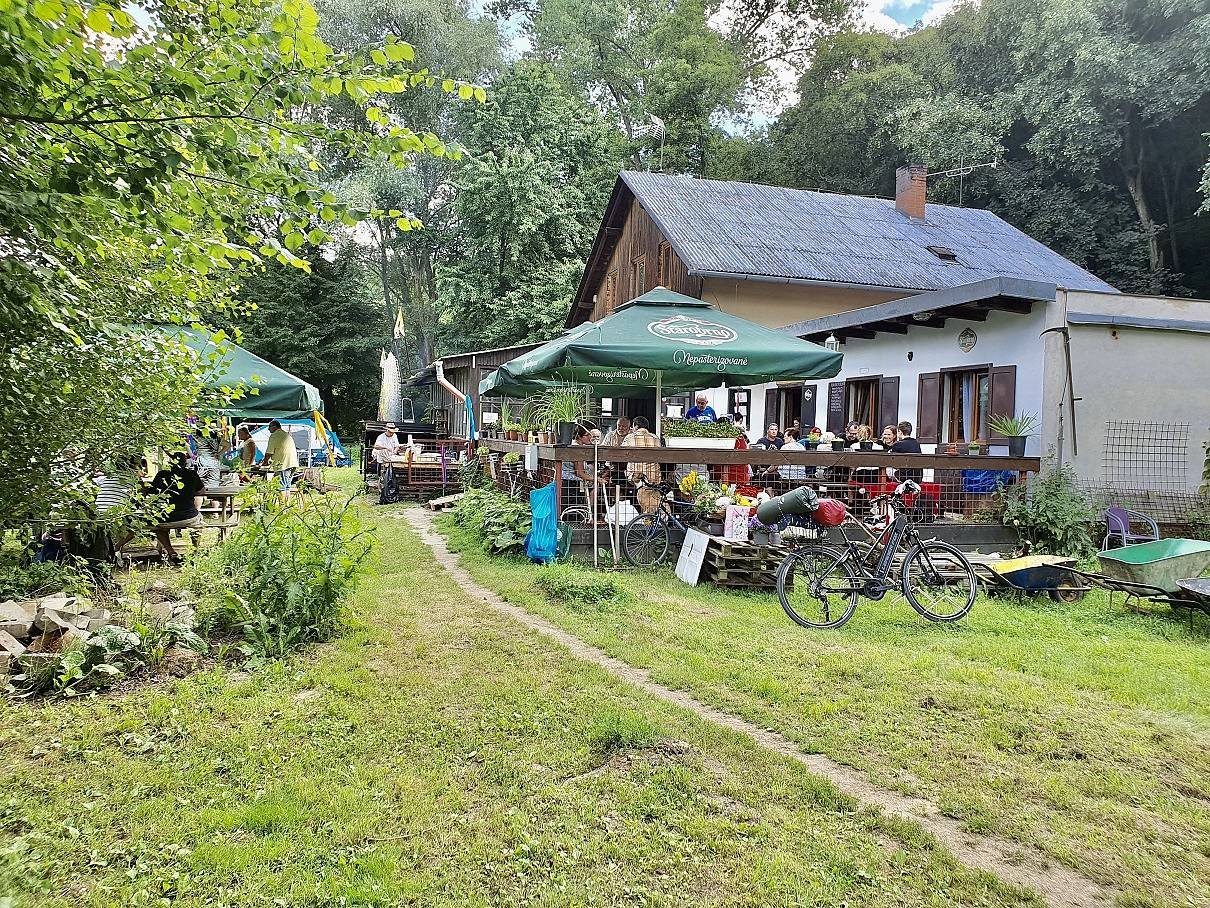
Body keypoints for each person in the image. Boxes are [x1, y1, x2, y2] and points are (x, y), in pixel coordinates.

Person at [150, 452, 204, 563]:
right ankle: (195, 550)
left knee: (157, 526)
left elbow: (152, 492)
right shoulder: (192, 474)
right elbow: (202, 491)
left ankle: (171, 552)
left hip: (165, 517)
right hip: (189, 517)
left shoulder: (162, 474)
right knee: (199, 522)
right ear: (185, 463)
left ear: (171, 462)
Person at [622, 416, 662, 513]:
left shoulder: (629, 437)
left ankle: (645, 518)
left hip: (636, 476)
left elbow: (621, 454)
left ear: (635, 426)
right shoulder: (656, 438)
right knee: (652, 501)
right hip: (654, 477)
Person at [262, 419, 300, 494]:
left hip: (283, 465)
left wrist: (265, 462)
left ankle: (282, 505)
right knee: (287, 487)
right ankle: (287, 504)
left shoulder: (274, 436)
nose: (268, 429)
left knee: (281, 487)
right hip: (293, 464)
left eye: (269, 427)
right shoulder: (286, 434)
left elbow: (269, 452)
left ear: (274, 427)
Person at [889, 420, 923, 484]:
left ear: (900, 432)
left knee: (887, 467)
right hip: (918, 478)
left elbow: (893, 463)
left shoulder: (897, 444)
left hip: (903, 477)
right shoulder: (916, 443)